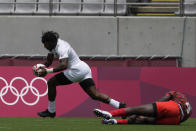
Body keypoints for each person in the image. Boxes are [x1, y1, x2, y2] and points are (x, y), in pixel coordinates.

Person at [34, 31, 126, 118]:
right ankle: (120, 106)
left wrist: (47, 71)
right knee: (95, 95)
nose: (44, 46)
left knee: (51, 82)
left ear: (51, 42)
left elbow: (63, 65)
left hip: (76, 70)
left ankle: (51, 111)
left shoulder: (61, 47)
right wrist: (42, 66)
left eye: (45, 44)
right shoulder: (52, 46)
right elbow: (49, 61)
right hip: (83, 69)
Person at [94, 91, 192, 125]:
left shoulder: (174, 93)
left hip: (175, 108)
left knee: (136, 109)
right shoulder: (185, 102)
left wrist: (142, 112)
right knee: (145, 120)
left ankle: (110, 114)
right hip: (177, 120)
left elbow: (161, 100)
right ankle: (115, 122)